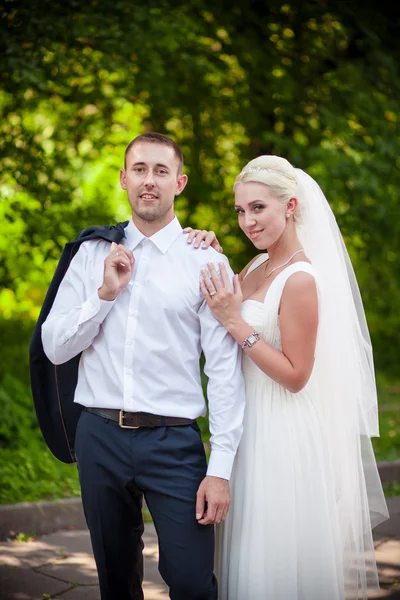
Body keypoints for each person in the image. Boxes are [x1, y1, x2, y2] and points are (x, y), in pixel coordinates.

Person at [41, 132, 246, 600]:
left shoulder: (207, 260)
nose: (148, 181)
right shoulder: (91, 254)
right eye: (139, 170)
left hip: (174, 444)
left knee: (194, 583)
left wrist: (221, 468)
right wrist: (104, 295)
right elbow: (54, 348)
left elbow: (224, 371)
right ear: (123, 179)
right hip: (100, 437)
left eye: (160, 171)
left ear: (180, 182)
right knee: (116, 582)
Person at [187, 155, 389, 599]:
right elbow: (220, 303)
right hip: (246, 429)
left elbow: (297, 375)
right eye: (240, 211)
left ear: (291, 205)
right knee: (245, 557)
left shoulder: (301, 278)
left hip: (283, 433)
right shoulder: (256, 266)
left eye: (258, 208)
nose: (247, 221)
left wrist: (237, 325)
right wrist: (207, 250)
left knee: (274, 561)